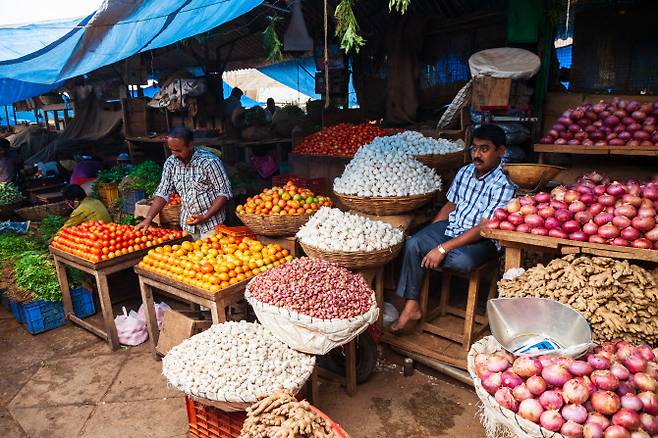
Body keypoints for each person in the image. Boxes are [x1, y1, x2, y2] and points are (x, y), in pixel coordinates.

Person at [391, 124, 516, 333]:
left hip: (482, 239)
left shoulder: (505, 182)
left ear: (500, 152)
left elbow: (485, 227)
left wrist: (441, 249)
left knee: (461, 261)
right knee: (413, 243)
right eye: (474, 148)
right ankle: (411, 305)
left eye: (484, 149)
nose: (477, 154)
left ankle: (438, 257)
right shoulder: (465, 171)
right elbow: (450, 206)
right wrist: (430, 236)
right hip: (453, 227)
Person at [135, 126, 232, 240]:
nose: (175, 154)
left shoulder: (209, 162)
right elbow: (163, 192)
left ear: (190, 145)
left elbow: (224, 192)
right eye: (172, 150)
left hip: (212, 226)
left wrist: (205, 216)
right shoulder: (171, 163)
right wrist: (148, 218)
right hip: (187, 225)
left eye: (179, 150)